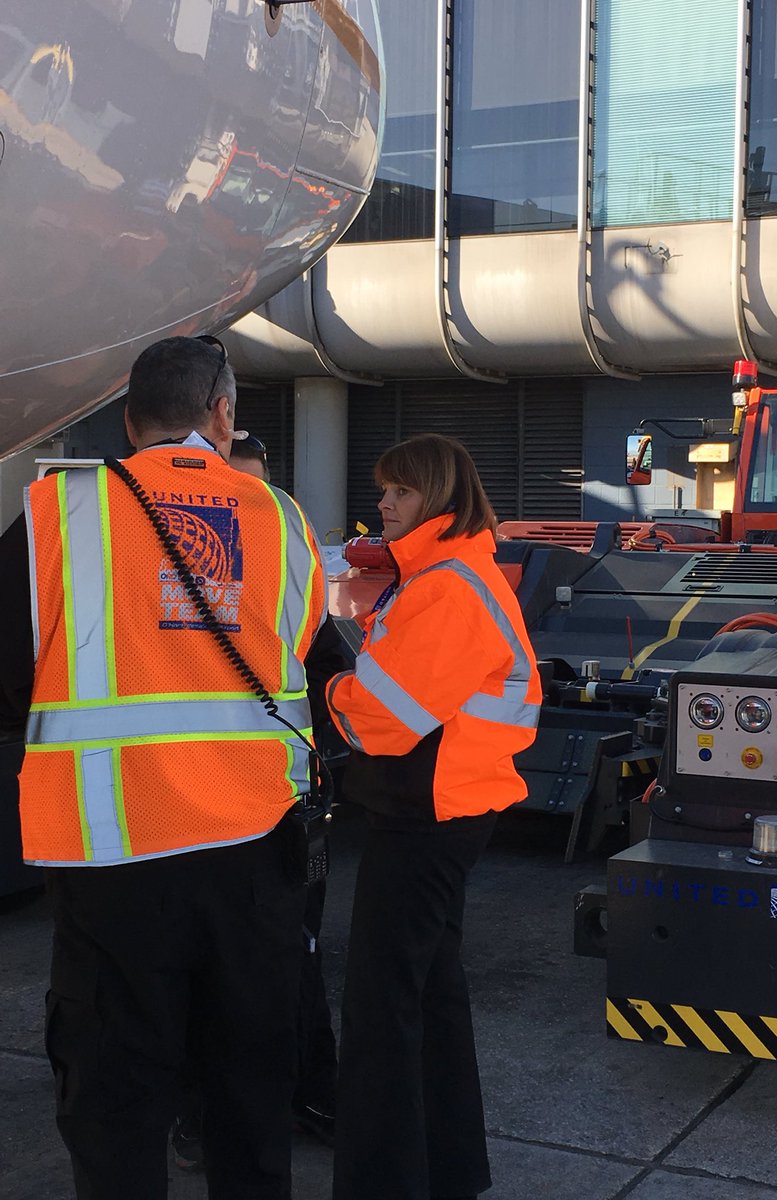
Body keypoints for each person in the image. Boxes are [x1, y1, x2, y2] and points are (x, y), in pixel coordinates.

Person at [0, 336, 332, 1200]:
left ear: (127, 418)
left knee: (116, 1098)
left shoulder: (55, 511)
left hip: (112, 855)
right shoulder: (283, 522)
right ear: (223, 416)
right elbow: (316, 673)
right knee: (250, 1091)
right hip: (255, 852)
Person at [326, 433, 542, 1200]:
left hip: (427, 817)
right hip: (452, 810)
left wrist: (327, 690)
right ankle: (447, 1168)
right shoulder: (453, 574)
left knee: (383, 1004)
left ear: (440, 500)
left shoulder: (446, 585)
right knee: (429, 992)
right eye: (384, 490)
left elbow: (384, 719)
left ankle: (384, 1181)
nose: (384, 503)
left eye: (402, 492)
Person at [170, 432, 339, 1173]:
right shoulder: (168, 583)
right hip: (189, 815)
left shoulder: (281, 570)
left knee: (292, 960)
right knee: (205, 975)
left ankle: (305, 1090)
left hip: (278, 814)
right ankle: (201, 1117)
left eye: (254, 492)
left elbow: (329, 676)